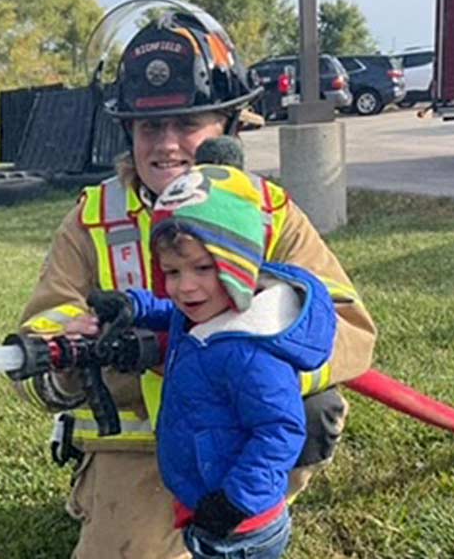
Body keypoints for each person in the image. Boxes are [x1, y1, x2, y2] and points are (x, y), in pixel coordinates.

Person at [13, 0, 377, 559]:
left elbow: (350, 326)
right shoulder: (93, 219)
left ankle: (251, 510)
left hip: (237, 439)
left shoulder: (265, 212)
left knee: (313, 409)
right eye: (149, 125)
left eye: (187, 124)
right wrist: (70, 355)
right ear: (128, 131)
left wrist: (238, 359)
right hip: (134, 450)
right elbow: (45, 325)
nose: (165, 144)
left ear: (227, 126)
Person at [89, 165, 338, 558]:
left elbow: (280, 430)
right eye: (172, 271)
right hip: (202, 501)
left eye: (203, 268)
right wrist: (132, 305)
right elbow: (169, 308)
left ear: (238, 266)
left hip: (241, 526)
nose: (185, 286)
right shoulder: (203, 310)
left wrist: (236, 501)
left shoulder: (250, 352)